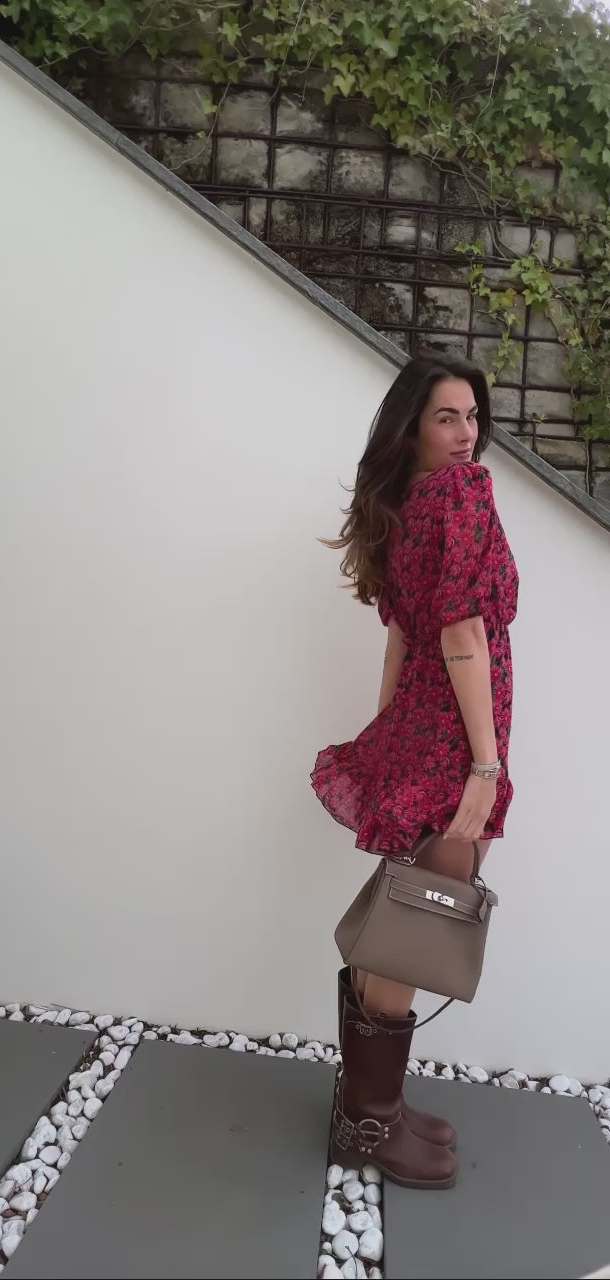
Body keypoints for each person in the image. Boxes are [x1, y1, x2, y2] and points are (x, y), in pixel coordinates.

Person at [311, 353, 518, 1188]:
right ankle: (370, 1122)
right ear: (412, 428)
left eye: (472, 415)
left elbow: (402, 632)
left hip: (422, 726)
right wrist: (484, 764)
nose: (467, 433)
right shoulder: (460, 495)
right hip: (454, 741)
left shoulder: (401, 501)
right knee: (421, 921)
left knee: (408, 908)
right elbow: (459, 632)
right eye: (446, 417)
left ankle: (369, 1110)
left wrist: (391, 725)